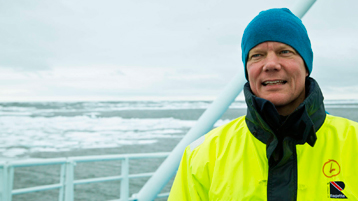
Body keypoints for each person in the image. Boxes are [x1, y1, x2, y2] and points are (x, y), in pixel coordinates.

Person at [168, 8, 358, 200]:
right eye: (257, 55)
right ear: (247, 70)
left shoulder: (354, 144)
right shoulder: (203, 156)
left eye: (285, 51)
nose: (271, 64)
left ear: (306, 66)